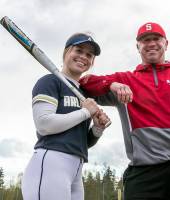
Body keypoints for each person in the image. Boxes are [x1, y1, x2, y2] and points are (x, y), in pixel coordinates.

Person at [79, 22, 170, 199]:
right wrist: (113, 84)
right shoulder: (126, 80)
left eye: (156, 39)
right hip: (144, 172)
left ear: (166, 44)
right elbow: (84, 82)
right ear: (138, 46)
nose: (151, 43)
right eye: (145, 40)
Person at [21, 33, 110, 200]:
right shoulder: (49, 81)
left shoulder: (85, 94)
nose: (83, 56)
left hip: (76, 169)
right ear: (66, 52)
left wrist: (97, 128)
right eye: (79, 50)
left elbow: (82, 142)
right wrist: (85, 112)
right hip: (51, 163)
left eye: (89, 55)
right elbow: (44, 124)